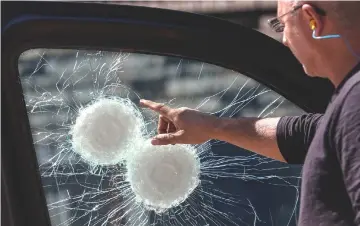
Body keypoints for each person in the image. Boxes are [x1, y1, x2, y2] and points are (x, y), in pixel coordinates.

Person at [140, 1, 360, 225]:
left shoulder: (356, 104)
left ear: (312, 20)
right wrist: (212, 127)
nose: (283, 40)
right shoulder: (349, 106)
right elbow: (305, 135)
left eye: (281, 25)